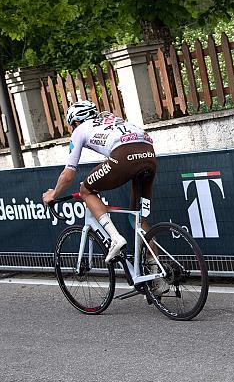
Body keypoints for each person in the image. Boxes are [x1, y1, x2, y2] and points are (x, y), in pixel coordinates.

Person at [42, 101, 156, 264]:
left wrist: (53, 194)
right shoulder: (112, 120)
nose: (73, 129)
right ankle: (157, 273)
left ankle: (115, 238)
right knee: (137, 217)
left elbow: (68, 175)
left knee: (85, 190)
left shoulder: (80, 129)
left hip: (123, 155)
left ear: (75, 122)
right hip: (149, 156)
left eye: (72, 126)